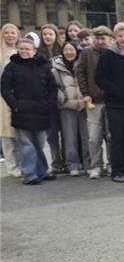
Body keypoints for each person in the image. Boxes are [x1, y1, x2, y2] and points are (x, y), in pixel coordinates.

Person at [1, 38, 57, 185]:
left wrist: (49, 104)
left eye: (27, 49)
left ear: (34, 51)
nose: (24, 51)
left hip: (41, 110)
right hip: (21, 111)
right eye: (21, 49)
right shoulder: (12, 66)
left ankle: (42, 171)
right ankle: (29, 174)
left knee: (39, 144)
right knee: (27, 145)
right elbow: (5, 88)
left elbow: (52, 88)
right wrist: (15, 106)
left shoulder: (43, 66)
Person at [94, 22, 124, 183]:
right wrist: (114, 91)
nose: (123, 39)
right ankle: (117, 171)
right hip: (115, 104)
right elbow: (99, 78)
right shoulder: (108, 55)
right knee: (117, 137)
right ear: (115, 37)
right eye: (120, 36)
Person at [75, 25, 113, 179]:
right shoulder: (87, 53)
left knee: (111, 135)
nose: (101, 41)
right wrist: (85, 93)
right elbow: (80, 72)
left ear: (110, 39)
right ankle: (96, 165)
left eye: (103, 38)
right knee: (94, 137)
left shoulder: (113, 52)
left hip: (111, 100)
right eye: (98, 38)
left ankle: (111, 163)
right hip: (93, 101)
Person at [51, 41, 89, 176]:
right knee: (69, 137)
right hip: (66, 106)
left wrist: (86, 97)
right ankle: (72, 165)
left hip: (85, 105)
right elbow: (55, 87)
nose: (69, 52)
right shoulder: (56, 67)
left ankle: (88, 164)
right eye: (66, 50)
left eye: (71, 49)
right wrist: (64, 101)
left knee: (87, 136)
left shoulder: (83, 64)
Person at [38, 23, 66, 173]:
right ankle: (56, 163)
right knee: (52, 133)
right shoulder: (37, 54)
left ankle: (67, 161)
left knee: (66, 132)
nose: (47, 37)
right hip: (47, 98)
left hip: (63, 96)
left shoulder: (63, 51)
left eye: (50, 34)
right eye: (45, 34)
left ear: (56, 35)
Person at [1, 23, 21, 177]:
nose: (10, 35)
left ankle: (22, 163)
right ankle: (12, 166)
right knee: (7, 132)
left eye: (13, 32)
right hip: (3, 97)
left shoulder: (21, 50)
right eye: (6, 33)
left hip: (21, 95)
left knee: (21, 132)